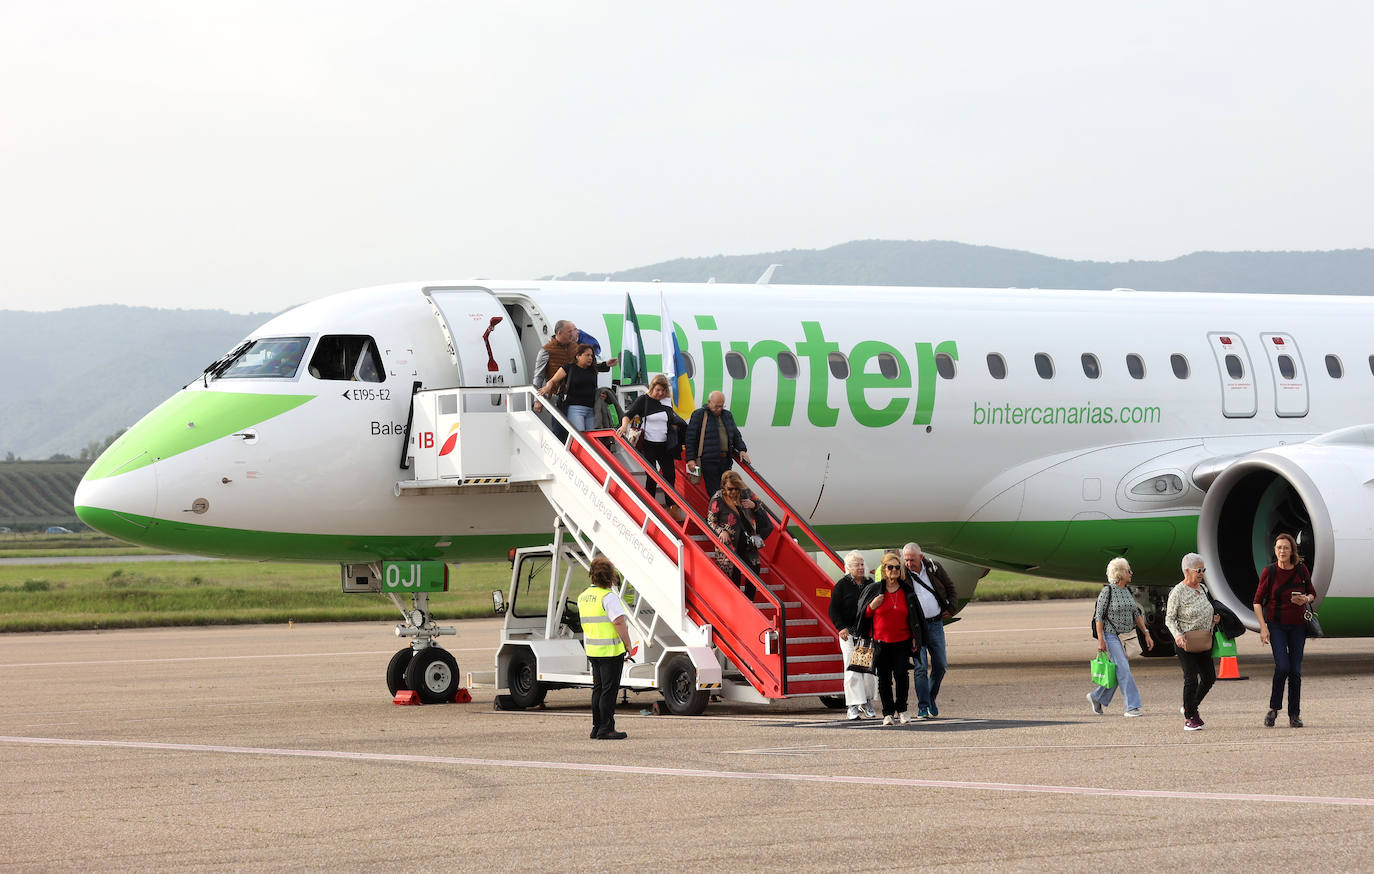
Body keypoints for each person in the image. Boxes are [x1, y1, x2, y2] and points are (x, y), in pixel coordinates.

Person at [1253, 532, 1317, 728]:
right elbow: (1257, 602)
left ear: (1292, 551)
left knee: (1295, 671)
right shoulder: (1269, 572)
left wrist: (1305, 599)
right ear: (1275, 550)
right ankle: (1273, 709)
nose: (1282, 550)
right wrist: (1263, 627)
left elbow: (1312, 593)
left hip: (1298, 626)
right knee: (1283, 667)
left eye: (1286, 547)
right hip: (1276, 625)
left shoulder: (1301, 570)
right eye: (1279, 547)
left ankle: (1294, 715)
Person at [856, 551, 923, 725]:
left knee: (901, 675)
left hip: (902, 641)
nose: (893, 570)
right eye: (890, 567)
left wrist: (916, 637)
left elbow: (915, 616)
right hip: (880, 642)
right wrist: (872, 606)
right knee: (884, 679)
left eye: (897, 567)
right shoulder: (873, 589)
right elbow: (862, 615)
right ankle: (887, 713)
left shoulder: (907, 591)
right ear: (884, 569)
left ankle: (902, 710)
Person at [577, 556, 634, 740]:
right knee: (609, 691)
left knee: (598, 689)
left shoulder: (583, 597)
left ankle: (596, 726)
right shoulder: (608, 597)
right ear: (610, 576)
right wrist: (627, 644)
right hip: (610, 651)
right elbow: (618, 622)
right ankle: (607, 728)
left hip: (593, 650)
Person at [1086, 557, 1152, 718]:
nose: (1131, 573)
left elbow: (1136, 613)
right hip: (1110, 636)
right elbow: (1099, 617)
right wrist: (1101, 639)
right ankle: (1132, 707)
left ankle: (1097, 697)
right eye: (1128, 570)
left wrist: (1146, 633)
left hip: (1126, 635)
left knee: (1118, 670)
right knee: (1123, 668)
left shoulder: (1127, 591)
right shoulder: (1107, 591)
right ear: (1121, 573)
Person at [1166, 553, 1220, 731]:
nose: (1202, 573)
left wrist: (1214, 620)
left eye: (1204, 569)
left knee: (1209, 677)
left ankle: (1189, 706)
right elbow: (1170, 619)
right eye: (1199, 570)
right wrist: (1177, 635)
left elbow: (1206, 611)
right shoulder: (1178, 592)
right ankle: (1190, 717)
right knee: (1191, 680)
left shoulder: (1203, 589)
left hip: (1204, 640)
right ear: (1187, 571)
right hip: (1186, 642)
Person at [902, 542, 957, 719]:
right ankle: (923, 707)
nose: (909, 563)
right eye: (906, 560)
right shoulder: (902, 574)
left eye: (912, 560)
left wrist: (952, 608)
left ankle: (931, 698)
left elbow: (950, 588)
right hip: (916, 628)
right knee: (920, 668)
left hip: (935, 624)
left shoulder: (934, 567)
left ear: (921, 557)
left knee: (940, 665)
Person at [619, 374, 687, 510]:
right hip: (649, 443)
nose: (660, 393)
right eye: (657, 390)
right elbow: (628, 415)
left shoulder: (667, 402)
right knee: (652, 475)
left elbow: (670, 418)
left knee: (670, 474)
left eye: (663, 390)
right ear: (652, 388)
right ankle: (649, 505)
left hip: (664, 444)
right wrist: (624, 426)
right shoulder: (643, 400)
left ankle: (671, 507)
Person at [705, 470, 771, 603]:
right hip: (729, 546)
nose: (734, 492)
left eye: (736, 488)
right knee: (733, 577)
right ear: (723, 486)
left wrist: (754, 506)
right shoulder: (718, 498)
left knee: (754, 572)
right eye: (730, 489)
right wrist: (721, 531)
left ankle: (749, 602)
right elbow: (710, 521)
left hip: (748, 543)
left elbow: (761, 507)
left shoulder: (746, 493)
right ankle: (738, 604)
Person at [828, 550, 878, 720]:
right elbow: (833, 610)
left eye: (862, 564)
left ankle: (866, 701)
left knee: (866, 671)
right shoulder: (842, 585)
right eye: (857, 565)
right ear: (848, 567)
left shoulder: (870, 584)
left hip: (865, 633)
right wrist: (841, 627)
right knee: (852, 670)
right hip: (848, 633)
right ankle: (852, 706)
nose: (861, 567)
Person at [537, 343, 617, 433]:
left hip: (591, 409)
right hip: (575, 408)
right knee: (580, 436)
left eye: (592, 356)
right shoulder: (569, 367)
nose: (590, 358)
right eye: (587, 355)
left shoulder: (592, 369)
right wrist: (547, 388)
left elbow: (596, 381)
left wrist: (600, 395)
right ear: (578, 356)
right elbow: (553, 380)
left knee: (592, 438)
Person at [685, 391, 750, 497]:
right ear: (709, 402)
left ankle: (724, 512)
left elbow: (735, 434)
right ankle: (718, 512)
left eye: (721, 406)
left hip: (725, 460)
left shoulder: (727, 415)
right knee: (716, 492)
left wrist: (742, 449)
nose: (719, 409)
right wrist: (690, 459)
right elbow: (690, 438)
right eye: (716, 406)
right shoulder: (699, 415)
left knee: (727, 491)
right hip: (709, 461)